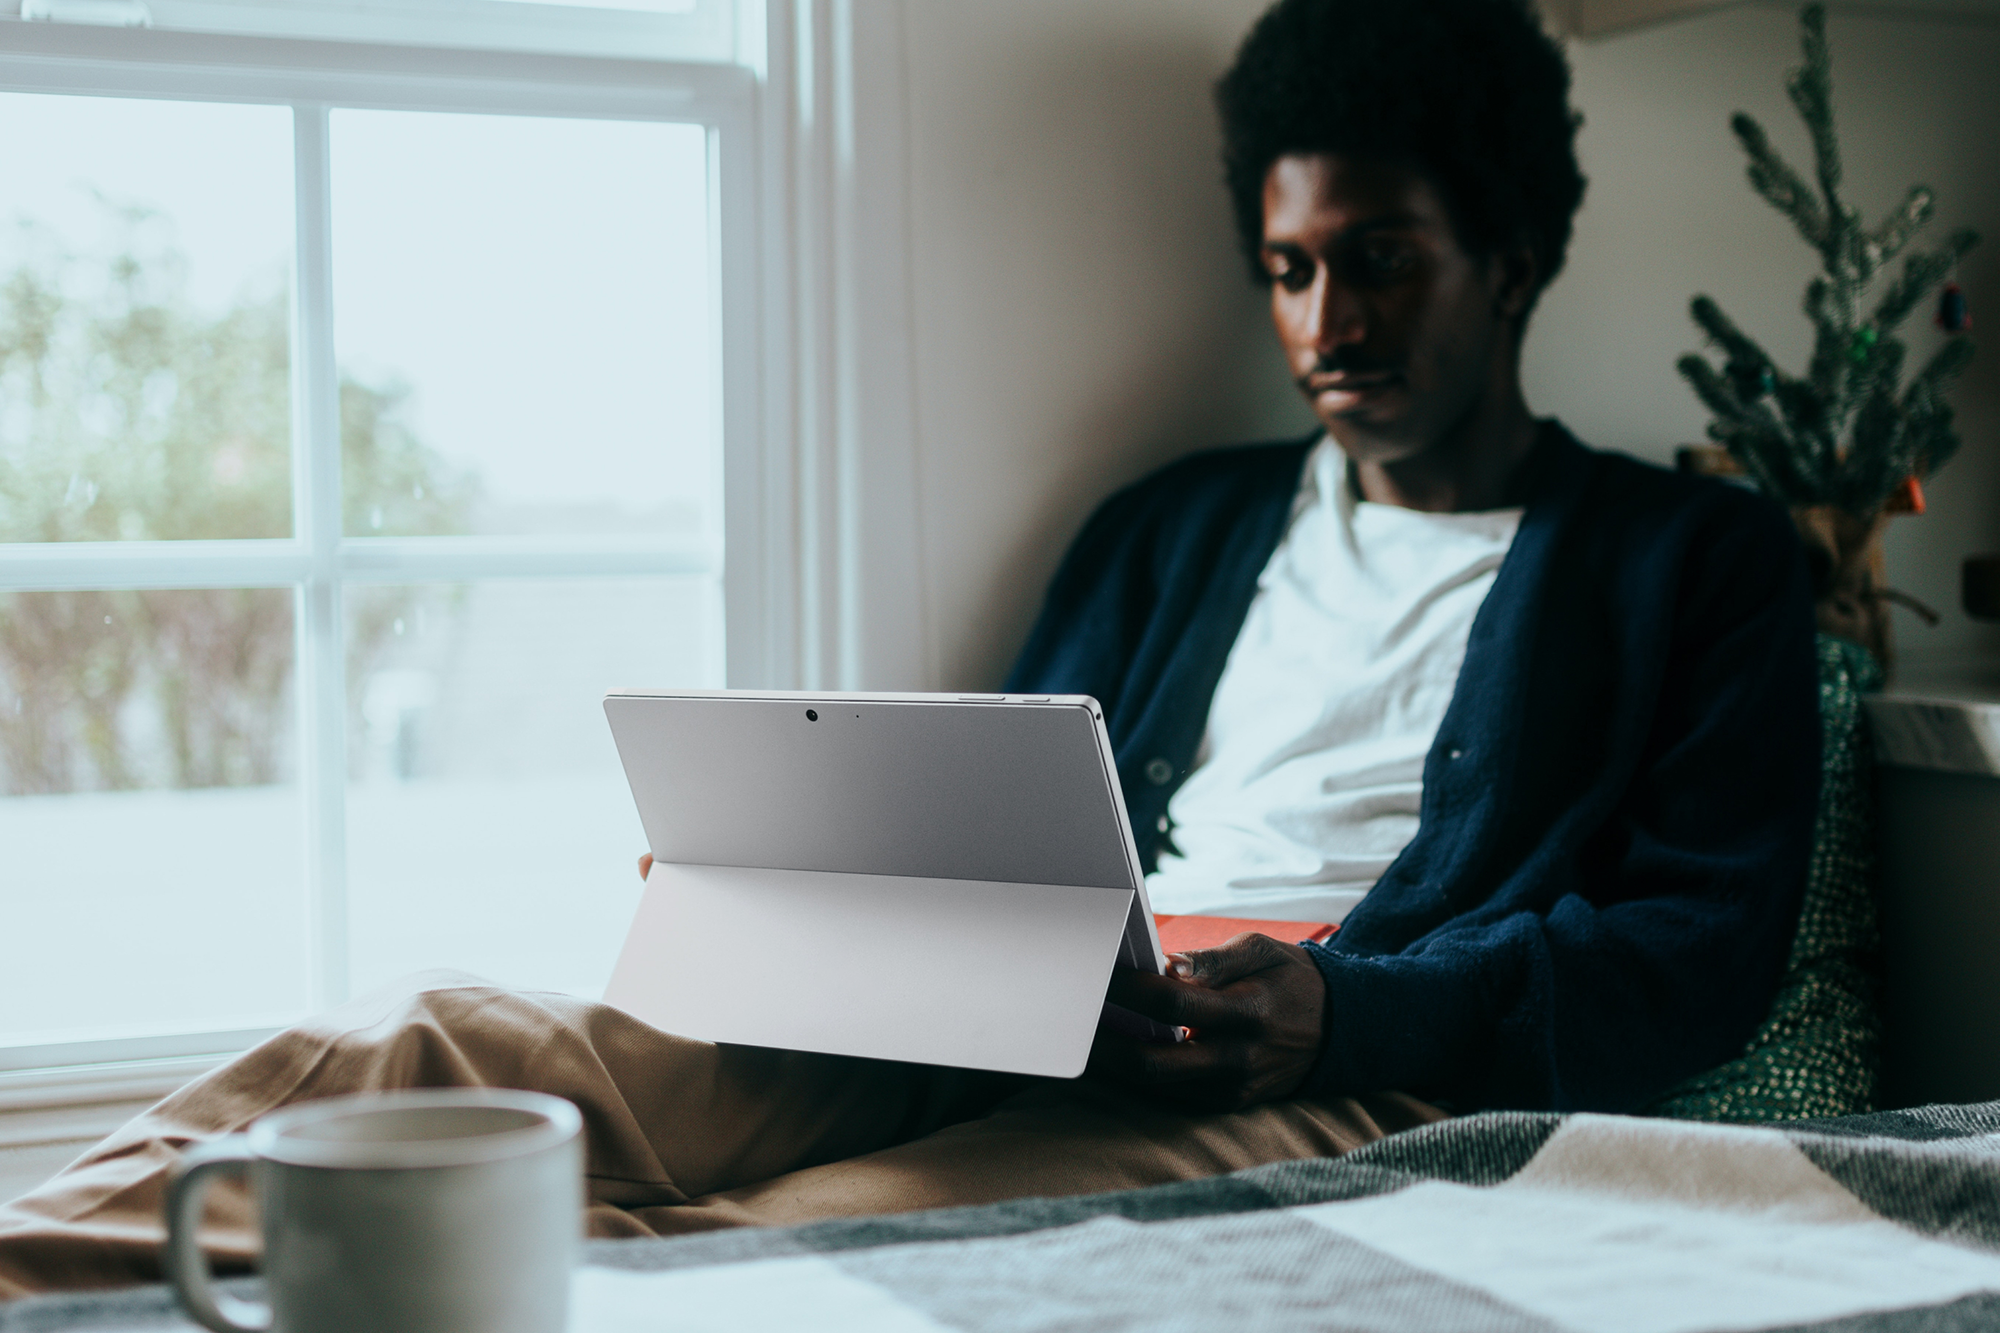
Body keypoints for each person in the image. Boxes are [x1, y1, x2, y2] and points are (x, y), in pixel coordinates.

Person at [0, 0, 1817, 1299]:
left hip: (1328, 1060)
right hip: (1035, 1004)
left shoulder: (1693, 562)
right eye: (1288, 268)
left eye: (1385, 258)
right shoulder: (1171, 526)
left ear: (1509, 252)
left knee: (792, 1245)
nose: (1327, 322)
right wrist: (815, 889)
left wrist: (1349, 1006)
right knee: (424, 1052)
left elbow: (1699, 954)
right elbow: (1019, 812)